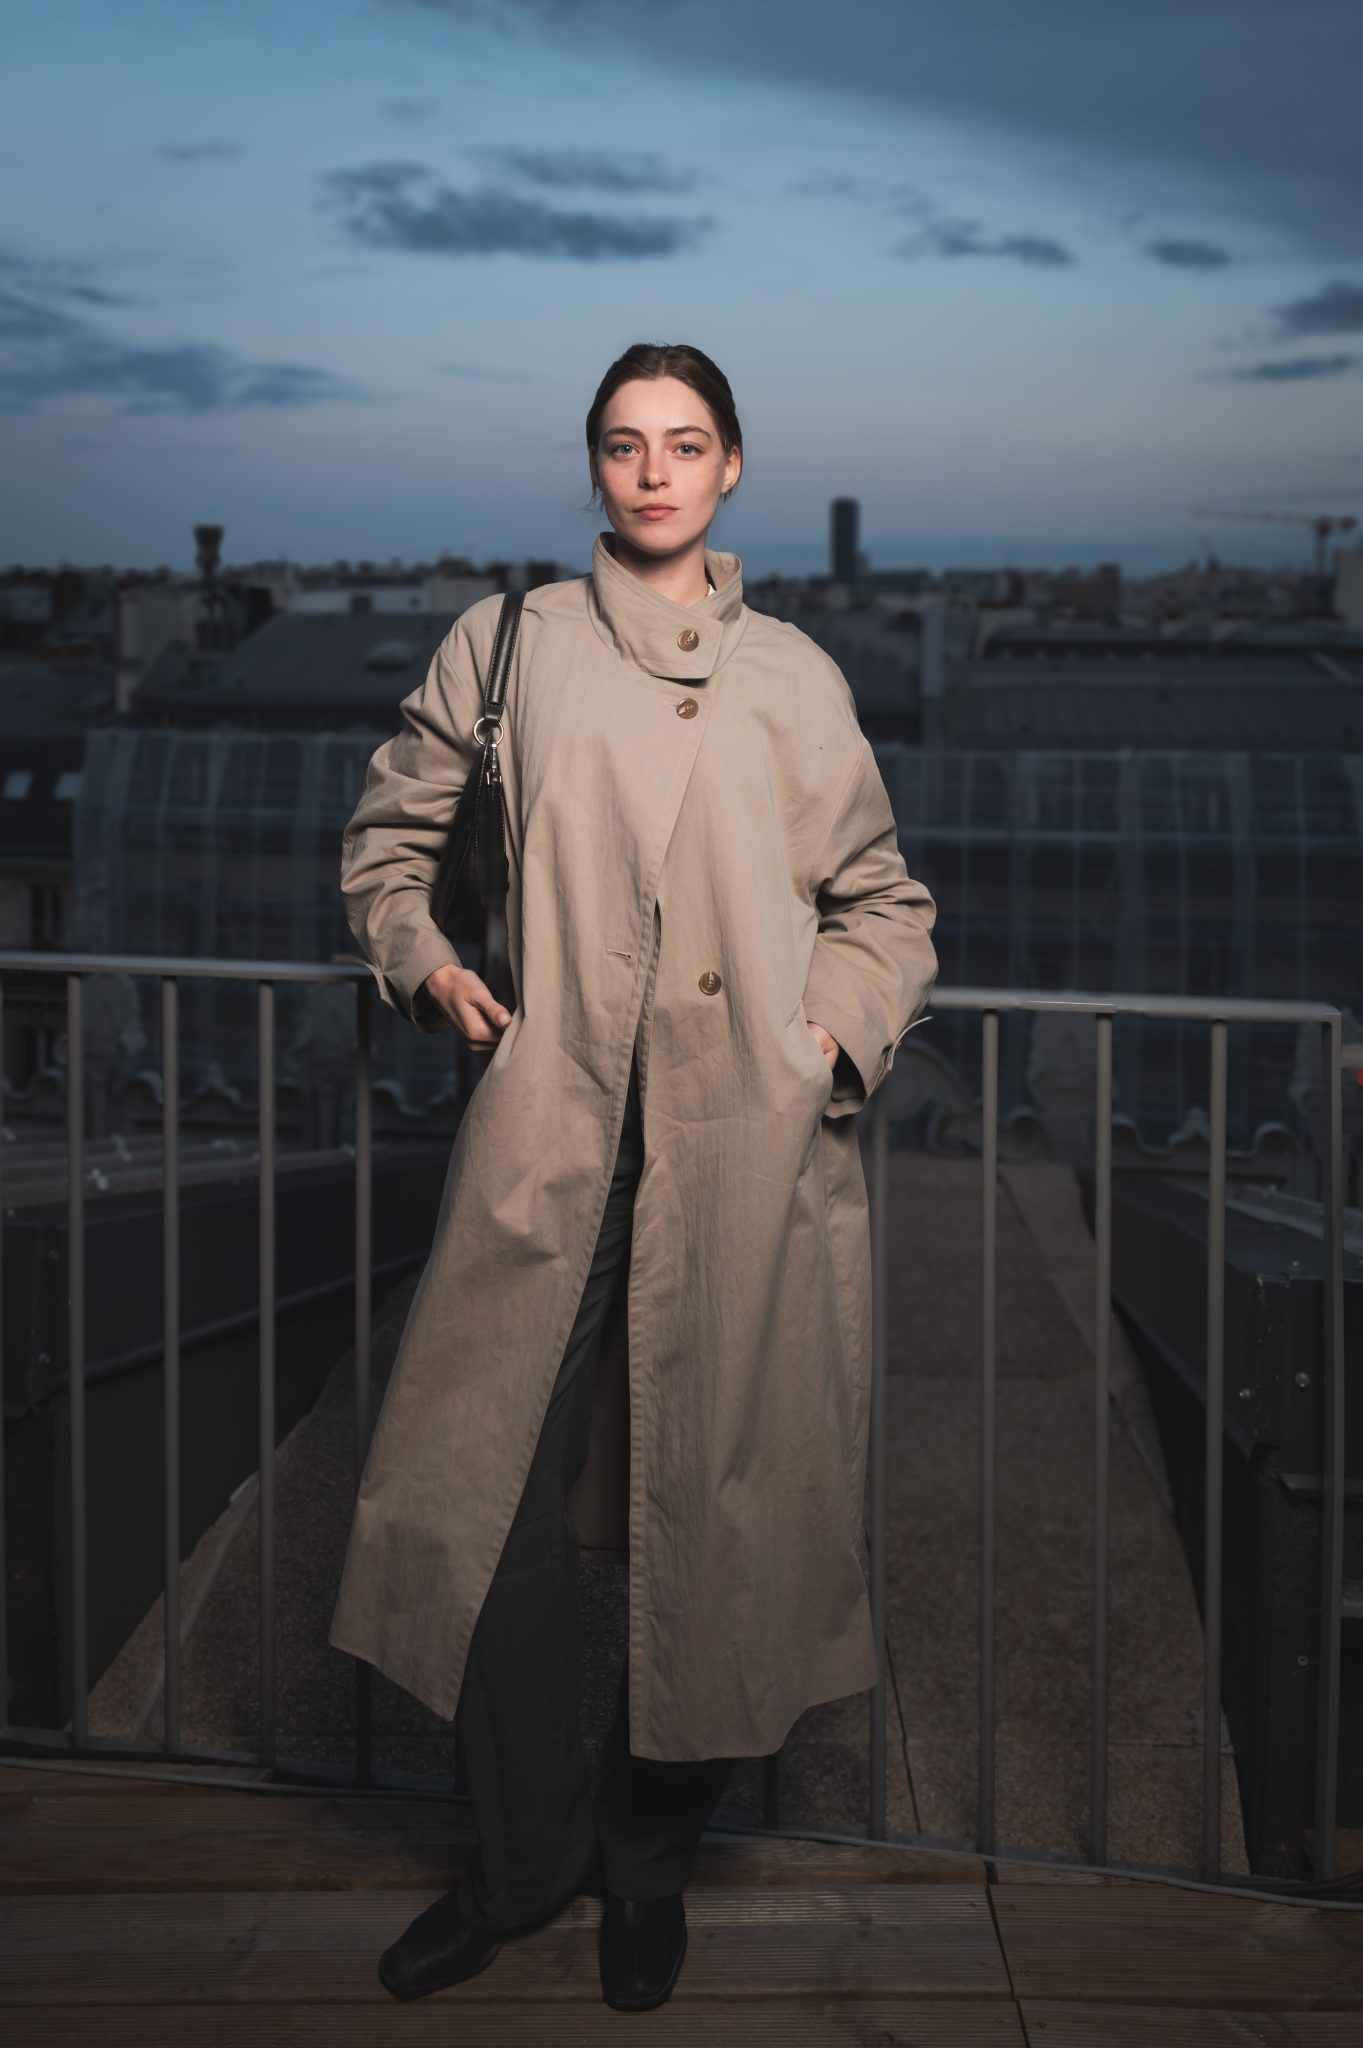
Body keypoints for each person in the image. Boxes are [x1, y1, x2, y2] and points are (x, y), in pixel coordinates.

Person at [329, 342, 939, 2012]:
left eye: (685, 445)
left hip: (739, 1161)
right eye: (622, 445)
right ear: (592, 468)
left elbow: (885, 904)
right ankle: (522, 1865)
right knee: (480, 1514)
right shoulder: (509, 642)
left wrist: (826, 1041)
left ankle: (644, 1864)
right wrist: (424, 962)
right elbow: (385, 848)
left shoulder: (796, 677)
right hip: (553, 1138)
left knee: (728, 1528)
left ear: (732, 469)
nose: (653, 473)